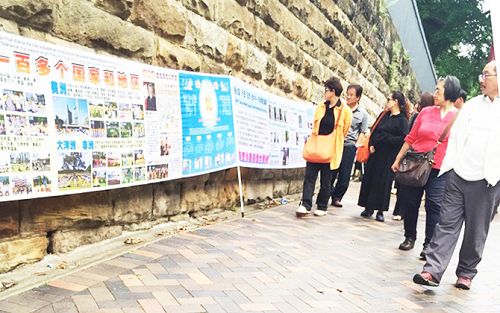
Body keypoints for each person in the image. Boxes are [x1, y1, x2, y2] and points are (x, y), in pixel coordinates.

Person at [413, 61, 500, 290]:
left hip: (488, 180)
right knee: (446, 223)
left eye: (487, 75)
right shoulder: (471, 106)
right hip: (458, 175)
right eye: (482, 74)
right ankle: (432, 270)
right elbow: (456, 137)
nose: (482, 79)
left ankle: (466, 272)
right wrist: (451, 167)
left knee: (476, 229)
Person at [391, 76, 461, 258]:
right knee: (410, 202)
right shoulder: (426, 112)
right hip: (417, 164)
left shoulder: (459, 117)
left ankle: (429, 245)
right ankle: (409, 237)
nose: (435, 93)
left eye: (439, 90)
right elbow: (411, 138)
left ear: (450, 92)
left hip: (440, 169)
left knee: (434, 205)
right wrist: (398, 158)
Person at [296, 77, 352, 217]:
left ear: (333, 91)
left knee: (326, 180)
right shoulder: (321, 106)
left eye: (326, 90)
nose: (324, 93)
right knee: (309, 177)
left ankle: (322, 205)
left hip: (331, 149)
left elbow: (344, 130)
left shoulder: (345, 110)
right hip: (316, 146)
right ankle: (305, 204)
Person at [358, 91, 409, 222]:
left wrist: (387, 139)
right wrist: (372, 144)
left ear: (396, 102)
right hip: (376, 153)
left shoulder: (402, 120)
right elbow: (374, 130)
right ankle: (368, 206)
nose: (387, 102)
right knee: (371, 178)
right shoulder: (383, 116)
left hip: (389, 155)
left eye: (389, 99)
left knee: (384, 182)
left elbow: (403, 138)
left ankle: (380, 209)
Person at [392, 91, 435, 221]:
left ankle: (400, 211)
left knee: (405, 184)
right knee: (406, 185)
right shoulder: (420, 115)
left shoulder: (421, 115)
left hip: (416, 157)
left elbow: (410, 136)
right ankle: (402, 212)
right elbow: (410, 136)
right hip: (415, 156)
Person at [330, 84, 368, 208]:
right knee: (331, 170)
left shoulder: (362, 114)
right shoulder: (339, 107)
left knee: (345, 174)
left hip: (350, 145)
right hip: (336, 142)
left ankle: (337, 197)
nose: (348, 97)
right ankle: (327, 193)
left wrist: (357, 145)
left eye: (352, 95)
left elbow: (362, 131)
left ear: (358, 97)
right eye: (348, 94)